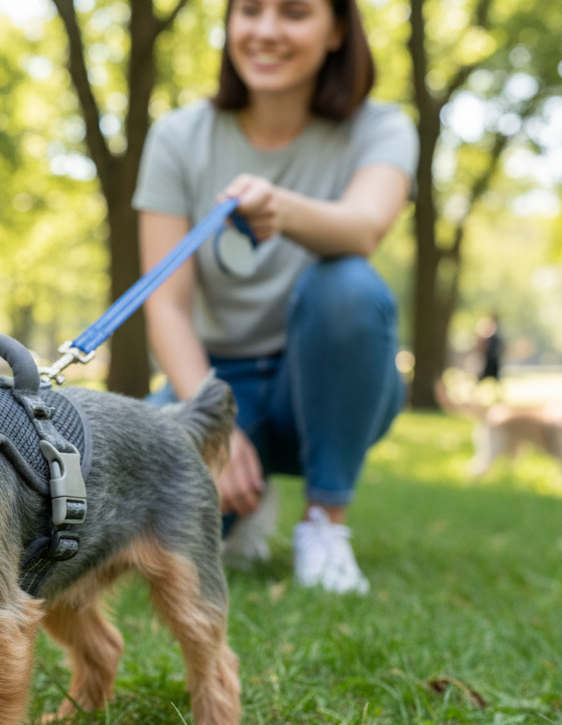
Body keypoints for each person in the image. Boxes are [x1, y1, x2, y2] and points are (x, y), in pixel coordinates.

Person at [133, 0, 417, 594]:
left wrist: (281, 210)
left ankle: (325, 524)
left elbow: (365, 227)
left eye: (293, 13)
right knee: (140, 520)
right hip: (220, 380)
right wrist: (213, 419)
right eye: (250, 11)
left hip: (327, 380)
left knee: (348, 283)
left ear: (337, 29)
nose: (265, 31)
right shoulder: (178, 137)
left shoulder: (380, 128)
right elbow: (167, 305)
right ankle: (243, 508)